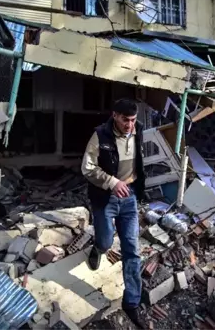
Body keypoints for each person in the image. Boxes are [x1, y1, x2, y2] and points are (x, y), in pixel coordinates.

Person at [81, 98, 146, 329]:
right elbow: (87, 168)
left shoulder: (138, 131)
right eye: (126, 120)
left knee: (132, 249)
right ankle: (98, 248)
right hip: (105, 198)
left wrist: (135, 187)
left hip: (129, 199)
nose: (130, 125)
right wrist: (112, 182)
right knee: (107, 241)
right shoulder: (100, 135)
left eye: (133, 120)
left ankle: (132, 302)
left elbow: (139, 161)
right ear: (115, 116)